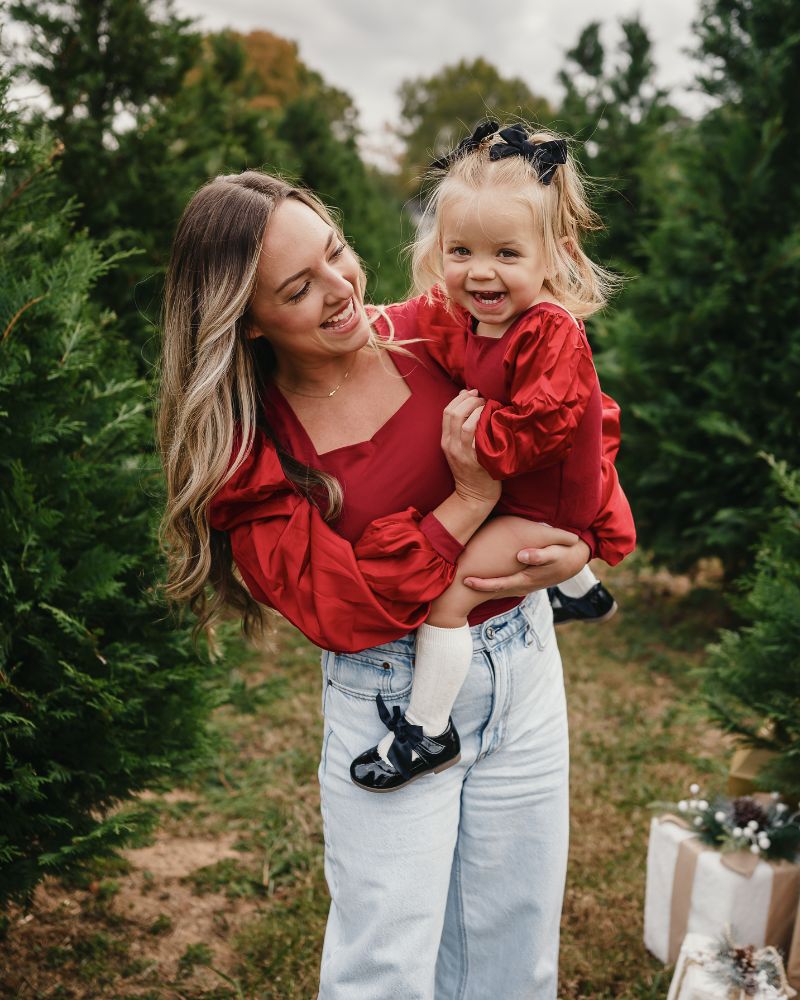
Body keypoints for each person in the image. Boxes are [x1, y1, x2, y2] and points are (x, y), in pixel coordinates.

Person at [157, 167, 635, 999]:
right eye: (300, 288)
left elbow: (575, 411)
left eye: (337, 253)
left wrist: (575, 539)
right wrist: (471, 501)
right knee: (385, 968)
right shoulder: (255, 452)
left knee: (514, 954)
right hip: (390, 693)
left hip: (521, 664)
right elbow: (338, 604)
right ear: (250, 323)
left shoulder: (432, 332)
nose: (341, 289)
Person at [350, 120, 632, 793]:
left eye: (506, 252)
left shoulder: (552, 331)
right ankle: (582, 597)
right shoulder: (480, 317)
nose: (480, 271)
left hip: (547, 503)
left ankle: (427, 730)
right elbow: (438, 335)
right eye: (461, 250)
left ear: (553, 257)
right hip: (538, 493)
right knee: (502, 540)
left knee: (448, 598)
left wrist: (477, 443)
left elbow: (550, 421)